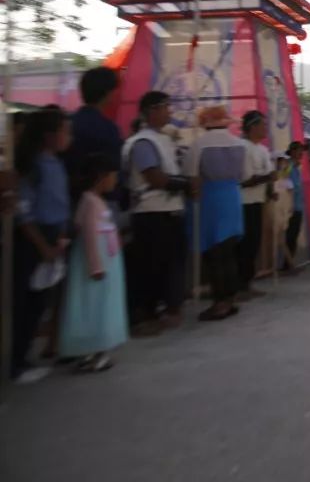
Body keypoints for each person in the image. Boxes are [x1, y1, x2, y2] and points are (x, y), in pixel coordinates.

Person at [11, 109, 72, 383]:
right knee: (26, 304)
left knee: (38, 303)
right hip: (35, 239)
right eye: (65, 130)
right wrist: (43, 246)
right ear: (49, 136)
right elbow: (25, 213)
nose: (68, 137)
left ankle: (22, 358)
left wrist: (59, 237)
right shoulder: (33, 167)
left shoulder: (54, 163)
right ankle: (16, 362)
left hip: (52, 237)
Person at [123, 92, 188, 335]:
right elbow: (155, 178)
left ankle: (165, 308)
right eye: (165, 107)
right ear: (152, 110)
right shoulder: (143, 142)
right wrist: (184, 184)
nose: (169, 112)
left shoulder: (164, 140)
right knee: (149, 267)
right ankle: (143, 315)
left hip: (169, 210)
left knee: (168, 264)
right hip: (151, 213)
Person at [59, 153, 128, 371]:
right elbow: (89, 235)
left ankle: (94, 351)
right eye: (113, 176)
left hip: (105, 259)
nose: (115, 180)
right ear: (101, 177)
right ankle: (95, 351)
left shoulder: (93, 200)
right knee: (96, 306)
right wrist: (96, 265)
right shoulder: (90, 201)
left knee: (97, 305)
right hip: (98, 262)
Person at [185, 105, 245, 321]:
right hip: (232, 197)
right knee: (228, 252)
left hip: (210, 200)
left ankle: (220, 302)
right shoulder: (239, 144)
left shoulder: (198, 145)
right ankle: (229, 298)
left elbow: (191, 177)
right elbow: (244, 175)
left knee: (213, 254)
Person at [64, 67, 123, 195]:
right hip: (101, 199)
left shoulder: (68, 123)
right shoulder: (108, 129)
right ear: (107, 93)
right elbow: (112, 177)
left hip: (71, 196)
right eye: (115, 90)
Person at [239, 111, 274, 299]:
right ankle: (240, 285)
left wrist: (270, 188)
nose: (265, 128)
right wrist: (268, 178)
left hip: (257, 201)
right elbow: (245, 180)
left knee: (253, 244)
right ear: (252, 127)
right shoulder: (243, 147)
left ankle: (247, 283)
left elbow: (266, 176)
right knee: (245, 245)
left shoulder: (262, 149)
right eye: (262, 125)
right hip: (244, 202)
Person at [280, 141, 306, 274]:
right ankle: (287, 265)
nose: (301, 153)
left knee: (293, 236)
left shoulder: (297, 167)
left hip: (298, 206)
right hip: (290, 206)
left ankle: (289, 264)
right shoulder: (289, 165)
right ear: (293, 151)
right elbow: (283, 179)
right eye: (299, 150)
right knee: (290, 236)